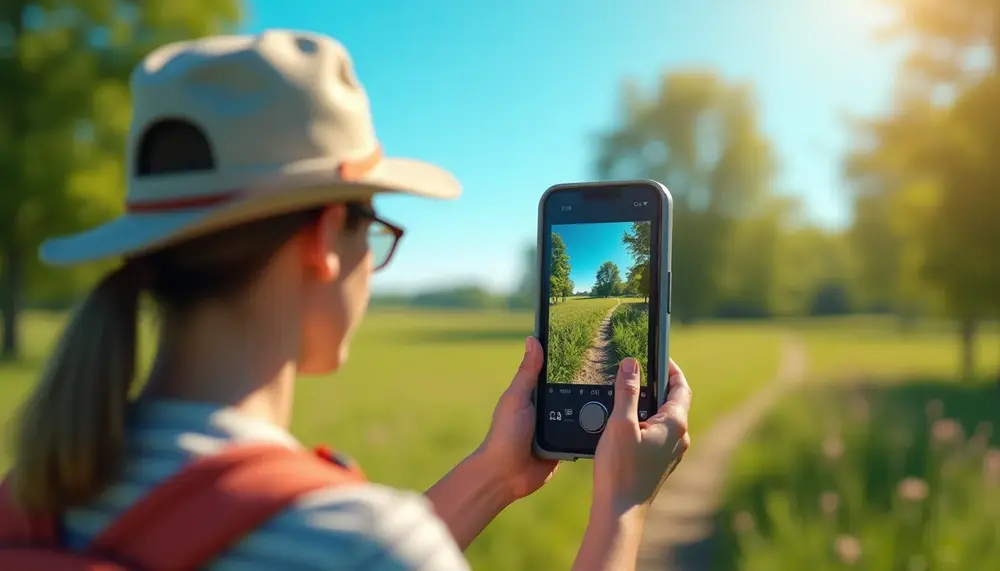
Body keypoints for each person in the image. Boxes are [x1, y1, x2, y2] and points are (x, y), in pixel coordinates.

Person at [2, 30, 691, 570]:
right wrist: (621, 506)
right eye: (376, 230)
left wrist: (495, 473)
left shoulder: (30, 500)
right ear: (327, 237)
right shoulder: (357, 542)